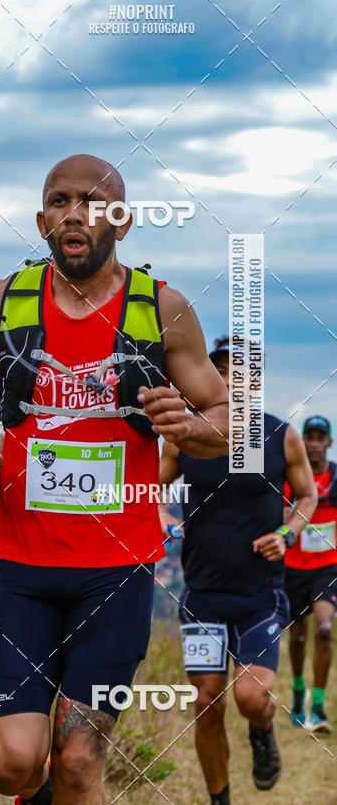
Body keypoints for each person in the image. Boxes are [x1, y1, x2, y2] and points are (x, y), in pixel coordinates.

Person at [0, 154, 229, 805]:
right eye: (62, 200)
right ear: (43, 220)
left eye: (95, 202)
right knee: (11, 763)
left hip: (117, 576)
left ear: (121, 221)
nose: (77, 212)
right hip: (22, 571)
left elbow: (225, 420)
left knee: (77, 761)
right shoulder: (6, 302)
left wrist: (185, 424)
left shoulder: (162, 310)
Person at [159, 336, 316, 805]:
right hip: (203, 596)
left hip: (259, 597)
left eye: (242, 373)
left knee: (250, 698)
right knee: (207, 704)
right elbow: (147, 489)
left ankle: (263, 727)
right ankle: (220, 799)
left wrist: (287, 534)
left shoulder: (279, 435)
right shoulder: (183, 437)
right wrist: (164, 520)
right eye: (221, 369)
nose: (230, 379)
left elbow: (306, 495)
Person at [284, 415, 337, 732]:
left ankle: (317, 706)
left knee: (324, 629)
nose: (314, 444)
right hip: (292, 568)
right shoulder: (293, 479)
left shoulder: (336, 477)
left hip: (327, 568)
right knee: (299, 636)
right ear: (303, 442)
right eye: (310, 437)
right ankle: (298, 691)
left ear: (328, 443)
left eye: (320, 438)